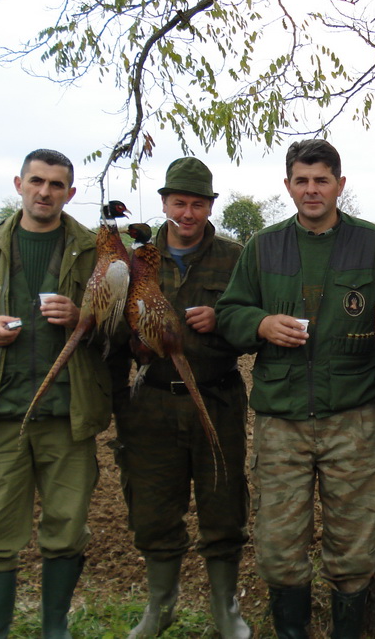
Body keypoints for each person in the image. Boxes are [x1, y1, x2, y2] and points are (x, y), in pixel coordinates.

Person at [215, 139, 375, 638]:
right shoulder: (263, 246)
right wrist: (261, 323)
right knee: (278, 546)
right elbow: (229, 313)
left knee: (356, 548)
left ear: (340, 184)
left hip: (356, 418)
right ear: (288, 185)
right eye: (302, 180)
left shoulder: (373, 243)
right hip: (282, 420)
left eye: (322, 180)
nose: (312, 189)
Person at [0, 148, 113, 639]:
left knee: (66, 530)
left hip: (67, 417)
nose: (45, 191)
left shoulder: (96, 250)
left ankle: (55, 628)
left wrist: (83, 319)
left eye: (57, 185)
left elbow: (121, 328)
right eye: (37, 181)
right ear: (19, 184)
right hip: (1, 417)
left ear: (70, 193)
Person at [112, 157, 251, 638]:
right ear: (165, 204)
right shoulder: (133, 262)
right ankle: (160, 605)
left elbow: (257, 325)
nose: (187, 214)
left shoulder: (236, 258)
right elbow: (112, 330)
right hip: (152, 400)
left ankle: (225, 607)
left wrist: (223, 320)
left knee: (224, 504)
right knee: (152, 506)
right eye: (178, 203)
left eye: (197, 204)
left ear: (210, 206)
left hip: (217, 398)